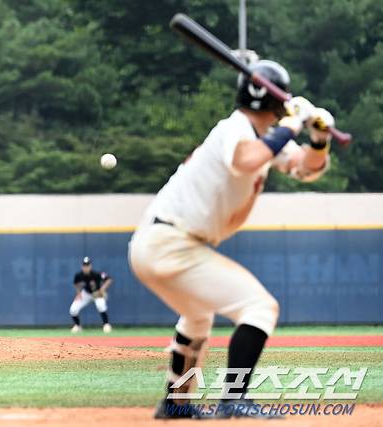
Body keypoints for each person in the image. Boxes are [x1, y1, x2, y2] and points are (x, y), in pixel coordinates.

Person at [128, 60, 334, 419]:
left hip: (160, 243)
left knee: (197, 316)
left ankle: (176, 403)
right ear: (273, 102)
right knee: (259, 307)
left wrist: (319, 139)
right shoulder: (235, 128)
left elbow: (306, 168)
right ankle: (233, 399)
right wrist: (290, 124)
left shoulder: (264, 138)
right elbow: (244, 161)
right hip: (169, 241)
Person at [69, 256, 113, 333]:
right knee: (73, 309)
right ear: (82, 266)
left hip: (97, 294)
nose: (86, 267)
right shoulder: (79, 275)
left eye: (87, 265)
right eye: (84, 265)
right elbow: (75, 283)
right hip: (86, 294)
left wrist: (102, 289)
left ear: (90, 266)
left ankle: (106, 325)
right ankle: (77, 326)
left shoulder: (96, 274)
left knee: (101, 305)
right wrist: (78, 293)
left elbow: (109, 279)